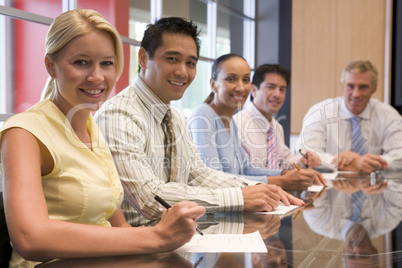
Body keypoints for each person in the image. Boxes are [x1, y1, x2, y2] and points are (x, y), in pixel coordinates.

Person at [0, 9, 205, 267]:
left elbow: (116, 223)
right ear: (51, 66)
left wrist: (164, 244)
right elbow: (31, 238)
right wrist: (157, 236)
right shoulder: (23, 132)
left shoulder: (91, 126)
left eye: (106, 63)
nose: (97, 77)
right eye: (81, 62)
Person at [95, 17, 303, 227]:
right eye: (172, 59)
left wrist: (255, 188)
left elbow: (197, 173)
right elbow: (149, 199)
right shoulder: (119, 114)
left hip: (177, 236)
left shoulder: (174, 116)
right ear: (142, 58)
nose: (183, 72)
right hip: (136, 246)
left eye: (191, 63)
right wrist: (240, 197)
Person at [188, 54, 325, 190]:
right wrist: (281, 181)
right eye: (231, 79)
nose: (241, 87)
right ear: (213, 84)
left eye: (246, 79)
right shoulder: (203, 115)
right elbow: (214, 179)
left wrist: (284, 173)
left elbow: (246, 169)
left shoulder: (230, 122)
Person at [297, 59, 402, 172]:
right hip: (327, 187)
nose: (356, 94)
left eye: (363, 87)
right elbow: (305, 153)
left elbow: (399, 156)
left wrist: (364, 161)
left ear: (374, 88)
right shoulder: (320, 112)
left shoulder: (389, 115)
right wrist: (353, 163)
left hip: (374, 187)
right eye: (350, 86)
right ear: (342, 86)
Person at [233, 64, 320, 170]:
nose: (277, 94)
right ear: (254, 90)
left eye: (282, 89)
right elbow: (243, 173)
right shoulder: (237, 126)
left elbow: (284, 162)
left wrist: (302, 161)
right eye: (271, 87)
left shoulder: (276, 127)